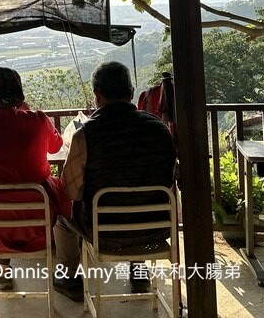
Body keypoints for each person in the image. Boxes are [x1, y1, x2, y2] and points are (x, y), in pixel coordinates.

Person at [52, 61, 176, 301]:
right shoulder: (160, 130)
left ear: (97, 95)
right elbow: (167, 178)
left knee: (61, 217)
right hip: (156, 227)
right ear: (130, 92)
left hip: (104, 232)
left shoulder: (85, 134)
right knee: (139, 197)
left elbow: (72, 192)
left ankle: (69, 277)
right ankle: (138, 270)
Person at [0, 67, 70, 290]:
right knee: (64, 194)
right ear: (19, 91)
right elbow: (57, 145)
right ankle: (67, 269)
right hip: (40, 215)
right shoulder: (38, 120)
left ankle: (2, 269)